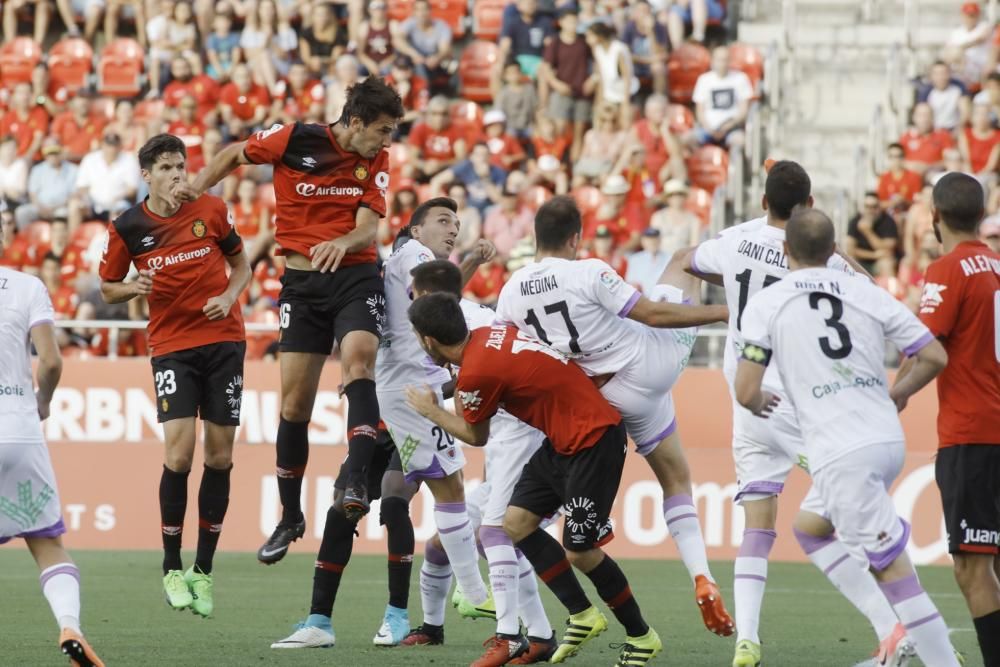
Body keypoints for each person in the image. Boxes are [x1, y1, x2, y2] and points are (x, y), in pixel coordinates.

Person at [682, 161, 913, 667]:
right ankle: (896, 623)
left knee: (757, 526)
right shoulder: (817, 259)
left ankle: (748, 639)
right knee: (850, 504)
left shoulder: (735, 243)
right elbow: (865, 285)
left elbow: (691, 261)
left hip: (745, 402)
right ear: (808, 206)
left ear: (763, 202)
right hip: (797, 401)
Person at [172, 77, 405, 562]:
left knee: (359, 363)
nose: (387, 142)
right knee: (294, 407)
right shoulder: (294, 138)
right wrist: (194, 189)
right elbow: (236, 153)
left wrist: (341, 244)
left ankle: (357, 478)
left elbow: (367, 228)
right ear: (355, 122)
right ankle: (290, 516)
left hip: (355, 278)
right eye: (382, 131)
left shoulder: (375, 160)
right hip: (301, 285)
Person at [495, 195, 733, 636]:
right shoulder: (589, 271)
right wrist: (725, 312)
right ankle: (702, 575)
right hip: (648, 368)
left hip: (598, 400)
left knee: (669, 475)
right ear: (576, 237)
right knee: (685, 260)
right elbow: (655, 314)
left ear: (534, 238)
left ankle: (587, 524)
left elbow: (512, 350)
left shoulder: (510, 291)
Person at [734, 208, 961, 667]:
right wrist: (898, 393)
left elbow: (744, 389)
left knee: (896, 574)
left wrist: (756, 402)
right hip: (886, 438)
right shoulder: (865, 291)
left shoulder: (767, 303)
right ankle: (897, 640)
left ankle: (936, 657)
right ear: (835, 250)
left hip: (842, 451)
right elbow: (934, 355)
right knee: (811, 528)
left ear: (784, 251)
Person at [405, 292, 664, 667]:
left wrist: (431, 410)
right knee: (516, 524)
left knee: (580, 550)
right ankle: (583, 614)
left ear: (428, 340)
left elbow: (476, 436)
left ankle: (642, 635)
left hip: (594, 441)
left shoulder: (477, 371)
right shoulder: (487, 338)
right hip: (561, 441)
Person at [98, 134, 251, 616]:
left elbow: (241, 264)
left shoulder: (212, 208)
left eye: (181, 166)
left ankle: (202, 573)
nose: (177, 174)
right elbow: (107, 290)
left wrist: (229, 297)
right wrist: (131, 286)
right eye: (166, 167)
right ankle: (170, 566)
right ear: (147, 175)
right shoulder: (128, 226)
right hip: (172, 348)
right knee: (180, 454)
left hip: (224, 342)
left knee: (221, 457)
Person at [400, 259, 557, 665]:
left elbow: (476, 428)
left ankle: (511, 635)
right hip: (512, 436)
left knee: (497, 533)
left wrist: (432, 408)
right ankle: (538, 635)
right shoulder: (469, 323)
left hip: (521, 439)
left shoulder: (459, 330)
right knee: (455, 538)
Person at [0, 208, 105, 667]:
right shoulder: (28, 287)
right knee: (45, 542)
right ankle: (70, 626)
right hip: (18, 429)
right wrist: (41, 402)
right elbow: (53, 360)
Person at [914, 172, 1000, 667]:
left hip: (971, 434)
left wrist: (893, 395)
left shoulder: (948, 268)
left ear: (935, 216)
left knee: (972, 569)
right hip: (994, 430)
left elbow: (928, 350)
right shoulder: (993, 265)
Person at [689, 45, 752, 148]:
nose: (722, 63)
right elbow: (699, 111)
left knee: (740, 141)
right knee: (688, 139)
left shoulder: (740, 78)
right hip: (708, 128)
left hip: (732, 128)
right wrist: (710, 129)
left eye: (725, 59)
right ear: (712, 61)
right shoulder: (704, 80)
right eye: (719, 60)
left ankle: (735, 164)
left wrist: (726, 127)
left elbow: (743, 111)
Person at [845, 192, 899, 278]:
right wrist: (874, 255)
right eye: (867, 207)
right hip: (860, 261)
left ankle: (889, 290)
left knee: (887, 263)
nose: (870, 210)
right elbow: (850, 250)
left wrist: (868, 232)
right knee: (849, 262)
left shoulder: (888, 221)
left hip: (880, 262)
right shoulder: (854, 221)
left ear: (879, 207)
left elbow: (888, 250)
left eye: (874, 207)